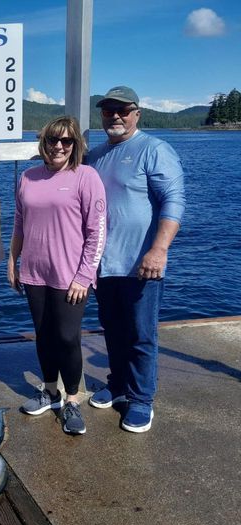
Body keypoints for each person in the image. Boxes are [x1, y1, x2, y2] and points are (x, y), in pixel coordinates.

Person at [87, 86, 185, 433]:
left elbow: (173, 201)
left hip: (141, 264)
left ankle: (141, 399)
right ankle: (118, 384)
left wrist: (159, 250)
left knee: (141, 334)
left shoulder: (154, 150)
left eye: (123, 110)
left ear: (137, 113)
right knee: (112, 330)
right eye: (108, 110)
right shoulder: (95, 155)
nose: (115, 115)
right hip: (102, 264)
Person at [8, 116, 107, 436]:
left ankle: (72, 401)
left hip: (71, 276)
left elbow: (97, 231)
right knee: (44, 335)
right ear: (44, 143)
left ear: (75, 145)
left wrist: (84, 275)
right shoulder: (27, 177)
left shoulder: (86, 176)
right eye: (53, 140)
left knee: (67, 337)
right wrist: (12, 260)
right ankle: (50, 391)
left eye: (66, 141)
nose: (59, 147)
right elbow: (19, 224)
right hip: (35, 272)